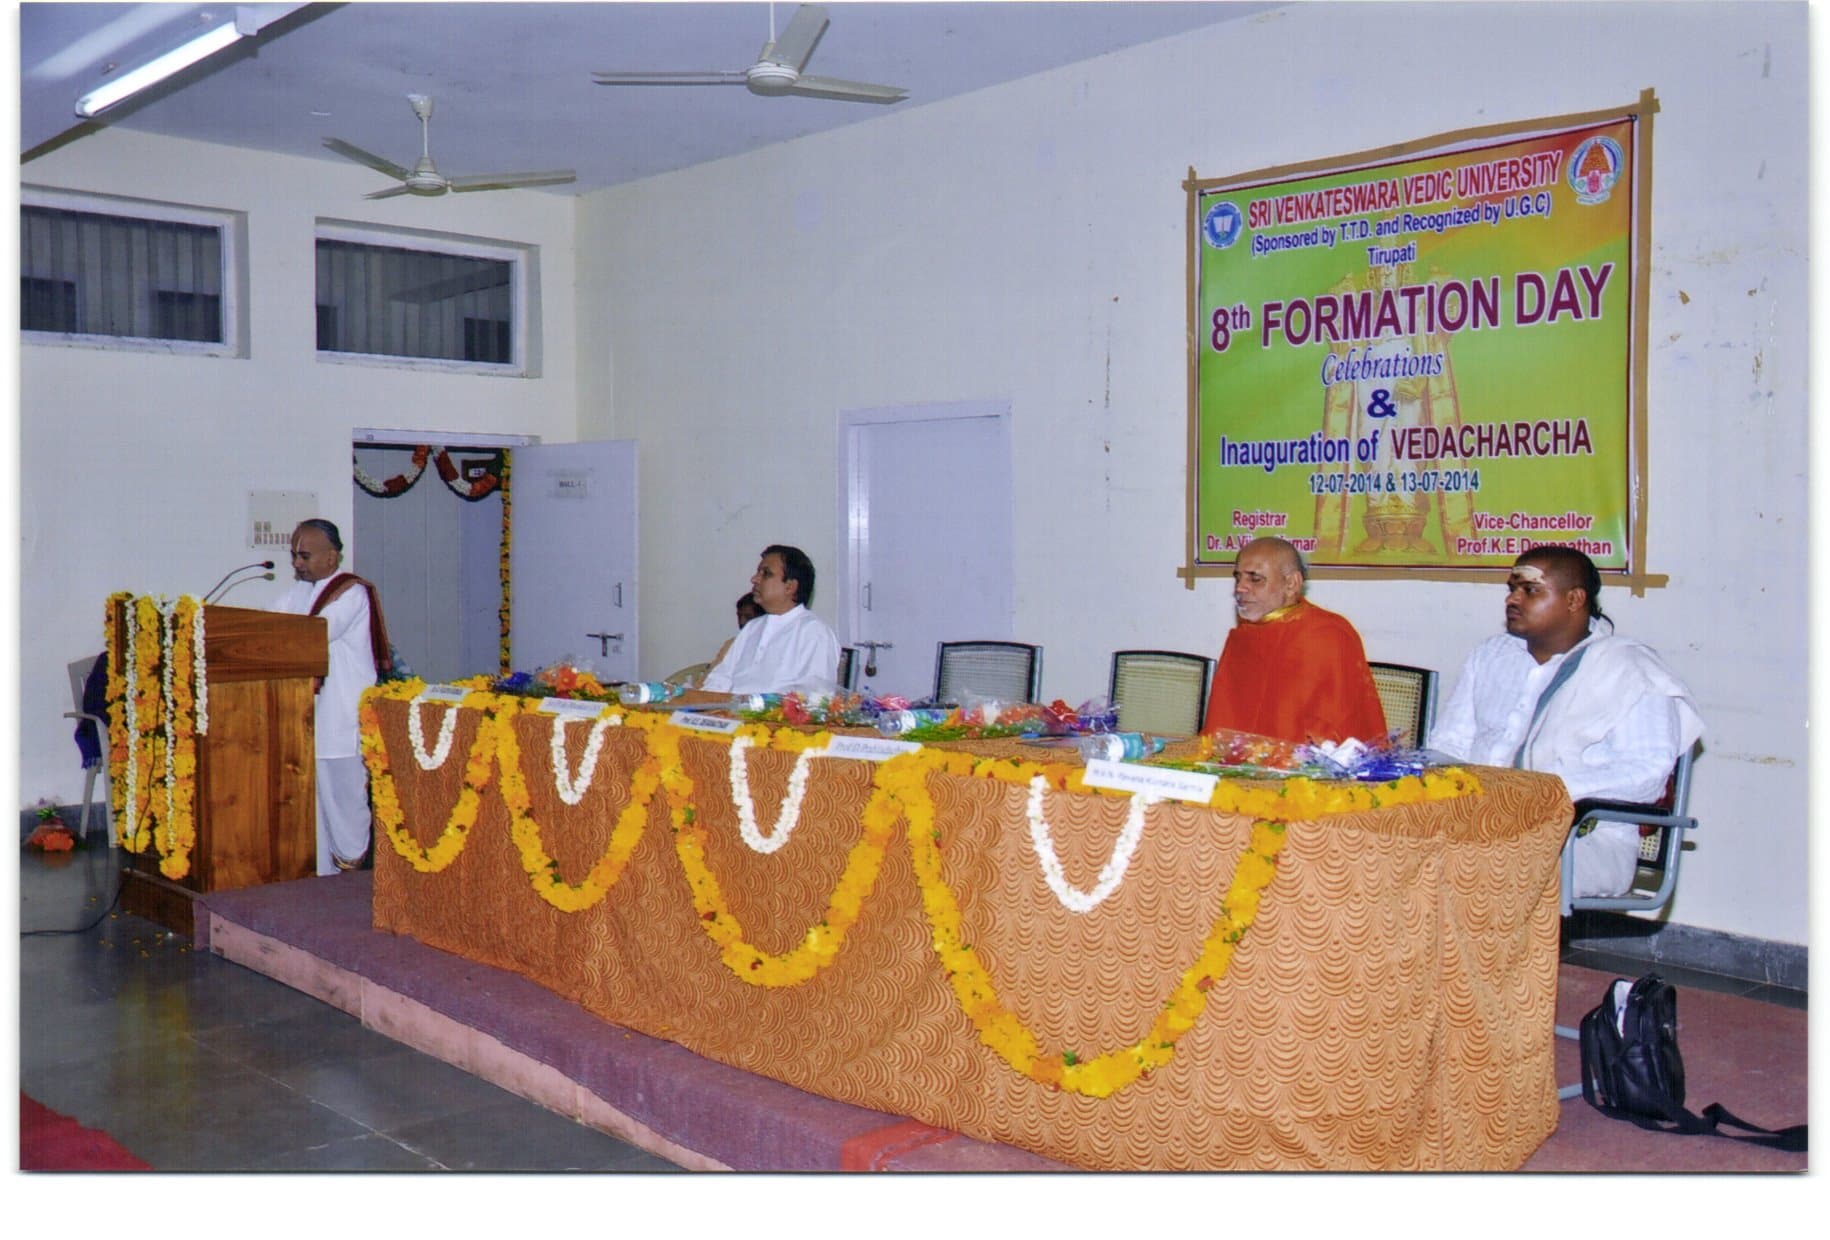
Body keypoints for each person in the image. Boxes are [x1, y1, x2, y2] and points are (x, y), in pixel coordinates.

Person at [1430, 547, 1703, 899]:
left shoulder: (1630, 670)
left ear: (1574, 599)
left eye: (1530, 590)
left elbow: (1646, 776)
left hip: (1587, 839)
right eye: (1512, 588)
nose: (1512, 599)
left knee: (1479, 867)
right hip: (1479, 824)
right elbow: (1449, 745)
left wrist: (1540, 794)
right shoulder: (1492, 656)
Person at [272, 519, 392, 875]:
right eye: (293, 554)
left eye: (304, 555)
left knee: (345, 805)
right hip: (307, 717)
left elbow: (317, 633)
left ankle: (354, 879)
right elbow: (265, 624)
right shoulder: (298, 593)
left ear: (332, 557)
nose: (296, 563)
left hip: (340, 719)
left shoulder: (350, 593)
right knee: (315, 808)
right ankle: (324, 881)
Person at [1201, 536, 1387, 744]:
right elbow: (1222, 726)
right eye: (1238, 578)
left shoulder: (1327, 635)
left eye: (1255, 579)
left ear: (1291, 583)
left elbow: (1340, 730)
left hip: (1307, 770)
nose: (1240, 588)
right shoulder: (1243, 638)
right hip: (1239, 766)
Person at [701, 545, 840, 695]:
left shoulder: (814, 632)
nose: (754, 579)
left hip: (771, 717)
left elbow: (816, 699)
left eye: (766, 574)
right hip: (730, 714)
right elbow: (720, 678)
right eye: (758, 572)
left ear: (790, 587)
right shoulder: (752, 627)